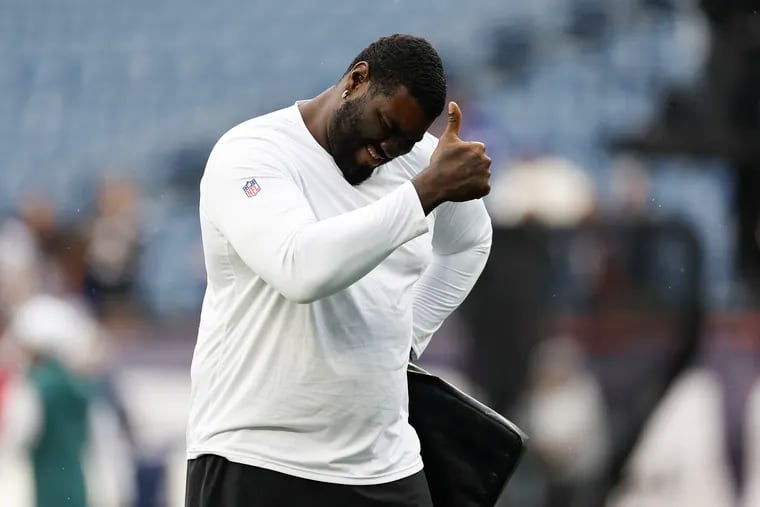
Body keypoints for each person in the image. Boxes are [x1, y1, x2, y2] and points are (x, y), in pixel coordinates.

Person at [185, 34, 493, 507]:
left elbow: (470, 242)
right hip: (255, 458)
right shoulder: (251, 154)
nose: (387, 149)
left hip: (386, 466)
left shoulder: (416, 162)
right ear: (357, 80)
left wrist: (411, 334)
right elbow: (300, 269)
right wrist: (424, 192)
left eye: (406, 140)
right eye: (385, 124)